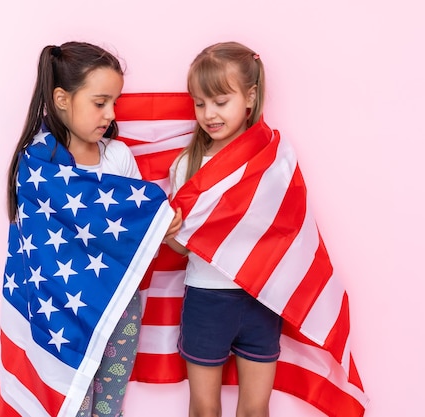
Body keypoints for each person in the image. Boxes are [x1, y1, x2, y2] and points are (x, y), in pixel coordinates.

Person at [1, 41, 180, 417]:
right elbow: (39, 244)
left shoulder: (117, 157)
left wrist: (159, 227)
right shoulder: (37, 164)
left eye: (114, 102)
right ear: (62, 99)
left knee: (109, 405)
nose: (110, 114)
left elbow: (135, 226)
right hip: (59, 311)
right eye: (100, 103)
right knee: (69, 403)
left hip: (117, 306)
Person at [165, 41, 282, 417]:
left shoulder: (273, 159)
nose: (209, 114)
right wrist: (171, 235)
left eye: (220, 101)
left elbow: (287, 232)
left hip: (262, 297)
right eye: (200, 103)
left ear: (250, 97)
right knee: (203, 407)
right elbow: (184, 248)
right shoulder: (188, 166)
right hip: (207, 299)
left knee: (255, 407)